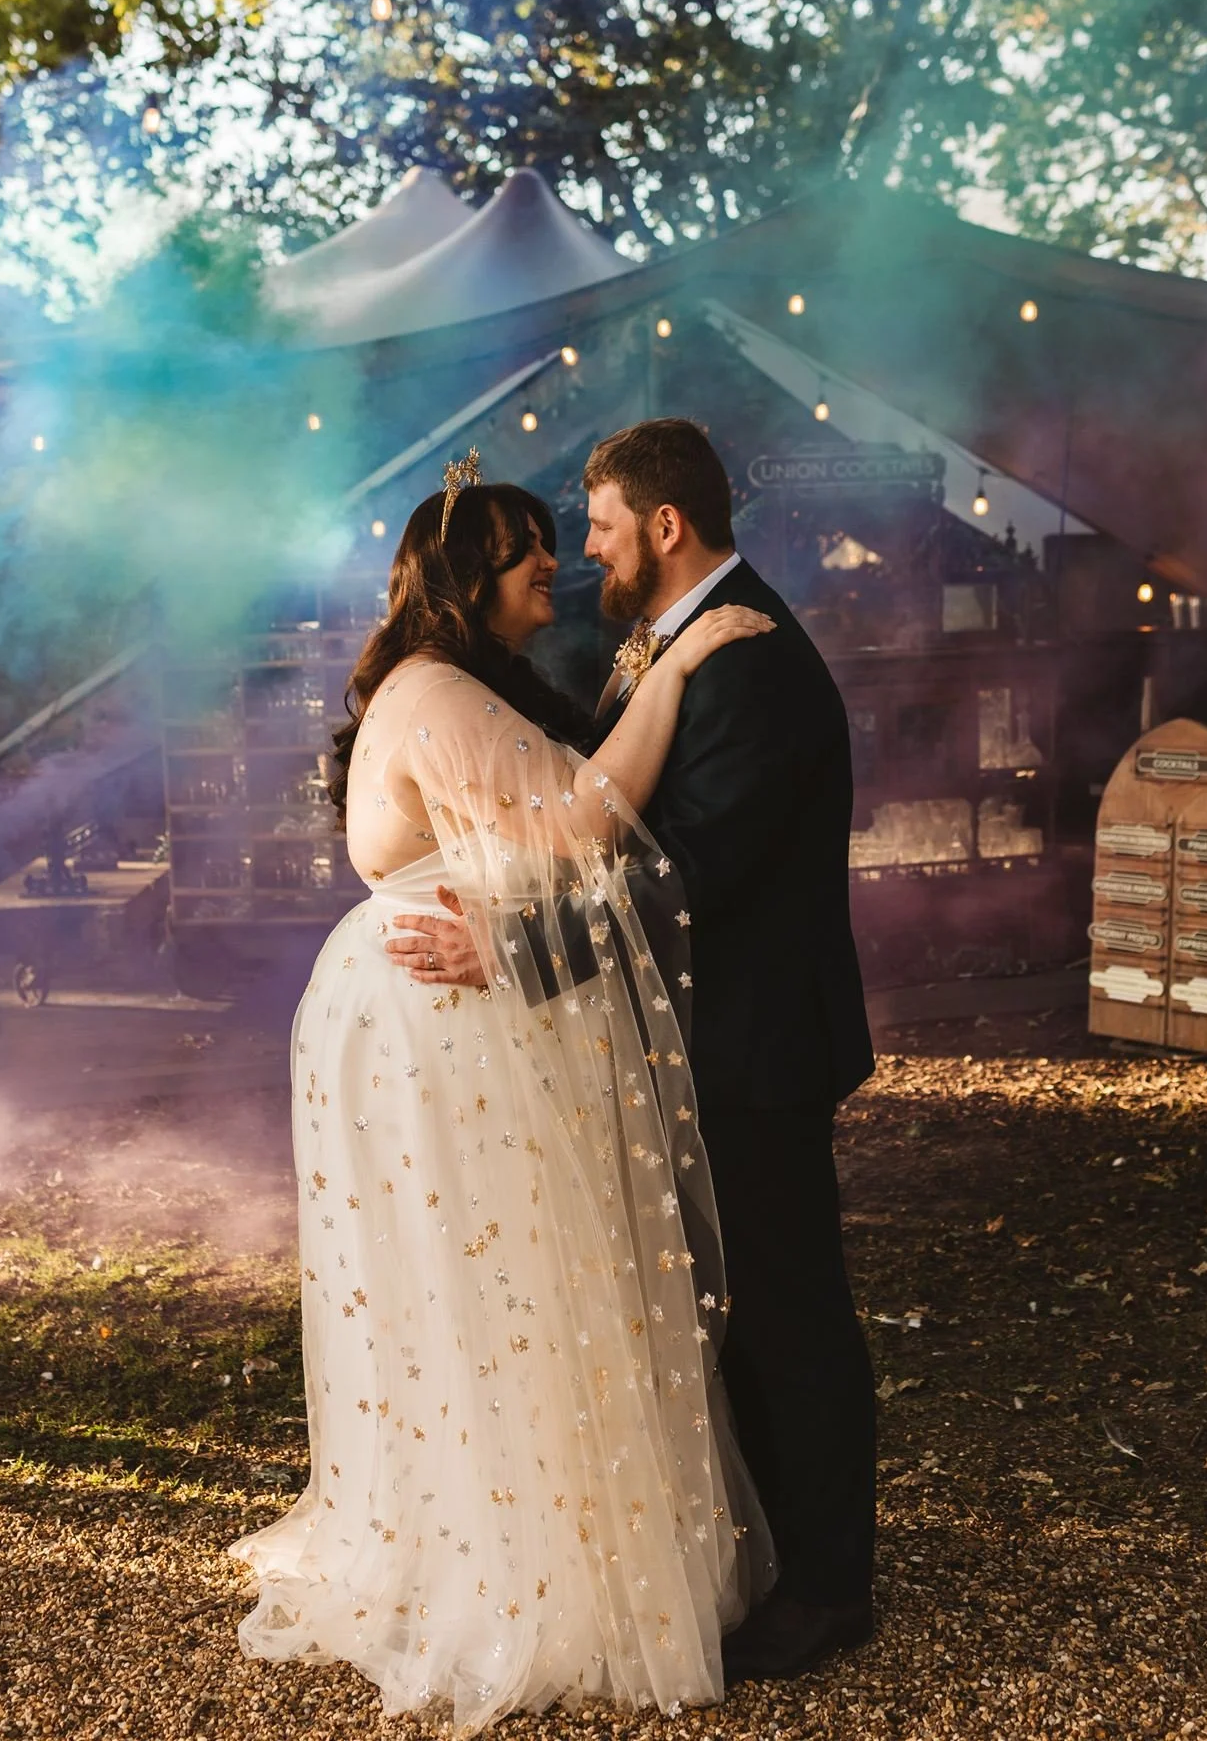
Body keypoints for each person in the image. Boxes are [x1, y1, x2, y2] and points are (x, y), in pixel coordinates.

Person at [230, 455, 777, 1734]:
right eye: (535, 551)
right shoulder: (429, 693)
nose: (557, 567)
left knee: (505, 1275)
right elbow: (584, 817)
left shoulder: (451, 685)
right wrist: (681, 669)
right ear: (478, 574)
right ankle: (519, 1567)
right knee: (504, 1278)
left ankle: (538, 1536)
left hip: (456, 1005)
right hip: (446, 1017)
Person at [390, 419, 877, 1682]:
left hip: (754, 1041)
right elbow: (590, 811)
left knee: (788, 1310)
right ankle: (768, 1552)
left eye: (599, 523)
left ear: (664, 525)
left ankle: (830, 1586)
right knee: (722, 1310)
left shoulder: (751, 660)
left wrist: (515, 952)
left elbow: (688, 869)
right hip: (691, 1032)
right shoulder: (661, 643)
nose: (585, 546)